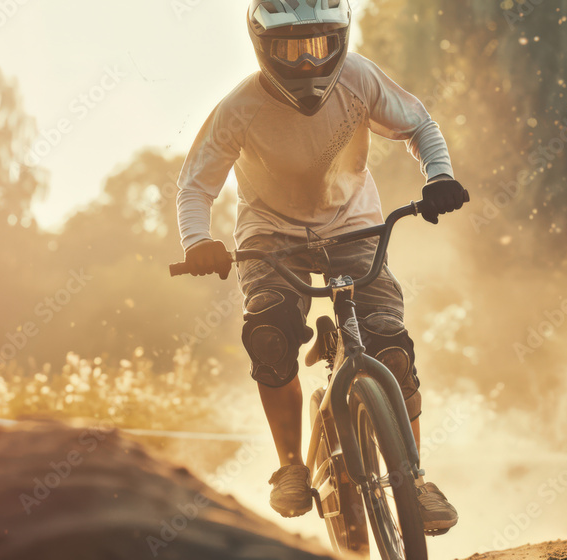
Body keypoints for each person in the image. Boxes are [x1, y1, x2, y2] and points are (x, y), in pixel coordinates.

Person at [175, 0, 466, 534]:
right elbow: (196, 183)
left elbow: (419, 125)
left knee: (391, 344)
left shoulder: (359, 79)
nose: (308, 63)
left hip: (353, 228)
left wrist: (439, 176)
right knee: (269, 333)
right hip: (269, 233)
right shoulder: (240, 106)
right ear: (263, 45)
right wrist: (199, 241)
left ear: (341, 39)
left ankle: (416, 479)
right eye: (291, 48)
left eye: (319, 44)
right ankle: (291, 467)